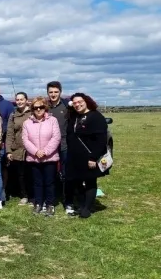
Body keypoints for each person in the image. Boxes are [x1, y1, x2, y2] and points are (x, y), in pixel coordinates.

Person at [66, 93, 109, 218]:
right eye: (74, 103)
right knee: (76, 181)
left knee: (90, 181)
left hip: (89, 156)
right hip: (74, 156)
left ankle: (87, 208)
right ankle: (81, 204)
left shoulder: (96, 117)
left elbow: (101, 140)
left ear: (86, 101)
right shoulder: (74, 116)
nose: (77, 104)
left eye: (80, 102)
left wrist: (93, 157)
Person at [22, 97, 61, 216]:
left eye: (41, 107)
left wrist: (45, 151)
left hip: (49, 157)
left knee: (49, 182)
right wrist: (36, 152)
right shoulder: (27, 123)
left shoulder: (53, 120)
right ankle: (38, 203)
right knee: (37, 182)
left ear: (45, 108)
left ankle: (50, 204)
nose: (38, 110)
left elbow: (56, 137)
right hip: (34, 158)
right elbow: (25, 140)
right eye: (35, 108)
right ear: (32, 109)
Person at [47, 81, 73, 214]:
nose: (53, 94)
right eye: (51, 92)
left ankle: (68, 202)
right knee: (50, 174)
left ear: (60, 92)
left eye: (56, 92)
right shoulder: (44, 107)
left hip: (64, 145)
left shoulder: (67, 106)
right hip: (48, 146)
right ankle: (49, 201)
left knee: (66, 174)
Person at [6, 92, 32, 205]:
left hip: (31, 148)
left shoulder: (32, 112)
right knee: (21, 174)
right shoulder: (13, 115)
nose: (19, 102)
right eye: (17, 100)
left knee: (31, 173)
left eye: (22, 99)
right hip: (17, 148)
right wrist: (8, 150)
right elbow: (10, 134)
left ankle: (33, 195)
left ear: (26, 100)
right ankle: (24, 195)